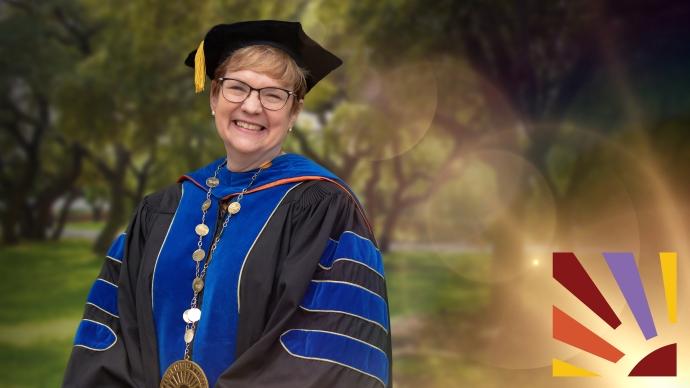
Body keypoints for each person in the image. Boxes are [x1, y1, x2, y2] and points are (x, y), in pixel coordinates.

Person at [63, 20, 392, 388]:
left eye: (273, 94)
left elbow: (327, 352)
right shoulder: (160, 210)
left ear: (294, 113)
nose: (252, 106)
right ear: (214, 98)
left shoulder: (324, 209)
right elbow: (112, 334)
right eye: (237, 87)